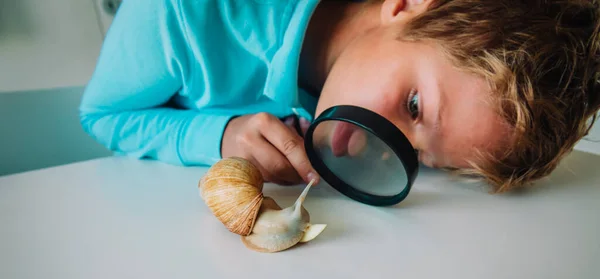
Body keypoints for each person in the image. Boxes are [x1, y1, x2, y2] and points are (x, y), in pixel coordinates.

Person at [79, 0, 600, 192]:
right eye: (414, 106)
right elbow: (102, 116)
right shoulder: (178, 16)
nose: (382, 145)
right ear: (406, 6)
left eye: (418, 155)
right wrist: (216, 135)